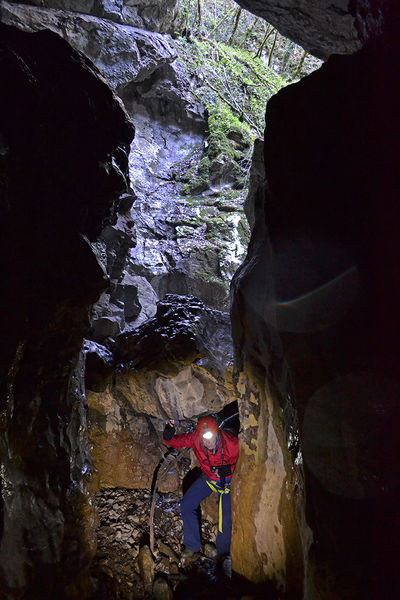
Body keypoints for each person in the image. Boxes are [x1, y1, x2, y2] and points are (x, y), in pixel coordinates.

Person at [163, 415, 238, 559]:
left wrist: (229, 469)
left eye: (210, 438)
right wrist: (168, 433)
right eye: (204, 438)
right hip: (209, 479)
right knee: (187, 504)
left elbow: (246, 459)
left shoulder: (231, 443)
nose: (207, 442)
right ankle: (192, 545)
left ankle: (222, 556)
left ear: (217, 433)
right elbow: (175, 442)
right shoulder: (195, 439)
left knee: (225, 522)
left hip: (227, 483)